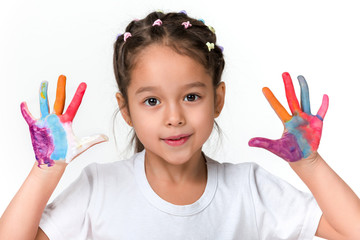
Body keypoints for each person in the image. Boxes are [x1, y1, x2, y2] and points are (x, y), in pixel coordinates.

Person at [0, 10, 359, 240]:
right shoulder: (100, 188)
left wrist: (309, 163)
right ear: (126, 110)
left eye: (191, 97)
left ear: (218, 99)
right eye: (152, 101)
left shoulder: (249, 188)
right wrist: (45, 170)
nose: (174, 117)